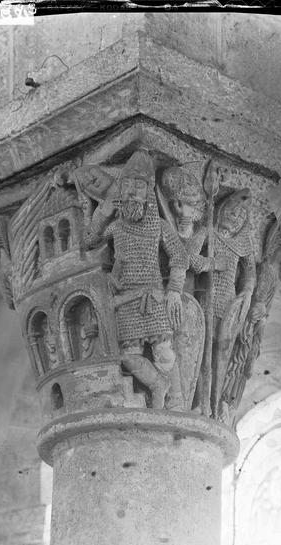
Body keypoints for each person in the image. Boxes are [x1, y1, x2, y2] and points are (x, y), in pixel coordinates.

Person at [84, 150, 189, 409]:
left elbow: (179, 258)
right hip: (125, 302)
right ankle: (157, 385)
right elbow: (88, 241)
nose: (132, 192)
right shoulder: (116, 226)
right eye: (127, 185)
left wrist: (174, 290)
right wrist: (103, 211)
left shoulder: (159, 226)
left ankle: (177, 402)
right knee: (127, 357)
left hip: (153, 298)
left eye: (138, 187)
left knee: (165, 352)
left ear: (148, 193)